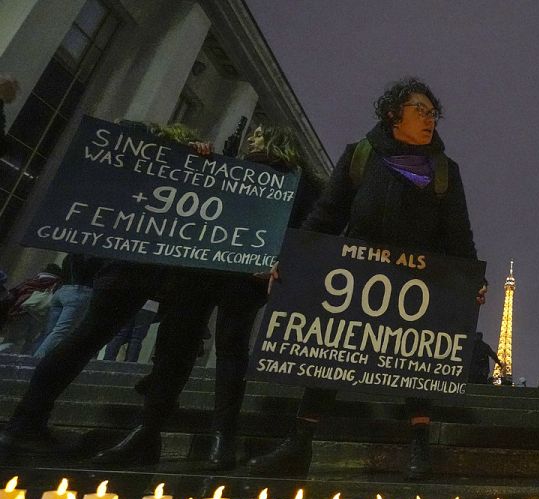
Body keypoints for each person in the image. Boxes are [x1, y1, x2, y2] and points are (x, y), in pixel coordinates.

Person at [245, 78, 485, 478]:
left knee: (417, 359)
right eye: (420, 111)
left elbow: (459, 233)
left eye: (433, 113)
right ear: (393, 114)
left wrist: (471, 281)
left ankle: (419, 447)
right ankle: (299, 444)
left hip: (415, 281)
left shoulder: (444, 170)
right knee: (333, 354)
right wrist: (291, 257)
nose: (430, 119)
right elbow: (328, 213)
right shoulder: (360, 155)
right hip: (356, 274)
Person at [91, 125, 313, 470]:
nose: (251, 138)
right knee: (175, 343)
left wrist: (281, 260)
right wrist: (194, 158)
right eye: (251, 133)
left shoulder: (297, 183)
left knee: (231, 349)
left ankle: (223, 437)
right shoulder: (224, 167)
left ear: (278, 140)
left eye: (259, 134)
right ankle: (148, 430)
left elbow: (306, 228)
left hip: (247, 277)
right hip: (200, 270)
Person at [0, 122, 212, 460]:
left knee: (87, 339)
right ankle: (26, 423)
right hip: (131, 266)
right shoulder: (141, 159)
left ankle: (27, 421)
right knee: (85, 339)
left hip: (144, 269)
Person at [33, 254, 102, 358]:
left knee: (50, 331)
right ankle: (37, 360)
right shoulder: (95, 257)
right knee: (61, 331)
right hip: (79, 292)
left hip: (62, 291)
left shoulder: (70, 255)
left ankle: (33, 355)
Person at [0, 264, 61, 354]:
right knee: (29, 343)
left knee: (11, 340)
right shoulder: (58, 285)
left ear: (44, 270)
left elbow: (11, 297)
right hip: (40, 317)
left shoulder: (32, 281)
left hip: (22, 313)